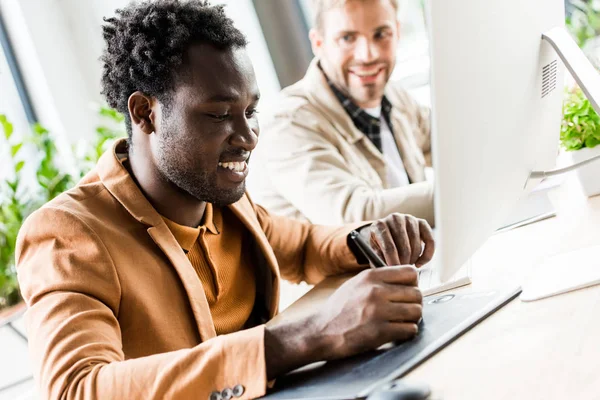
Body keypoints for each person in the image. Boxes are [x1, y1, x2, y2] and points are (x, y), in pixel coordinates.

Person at [16, 1, 434, 399]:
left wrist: (369, 239)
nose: (249, 137)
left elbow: (303, 246)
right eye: (218, 115)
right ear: (145, 113)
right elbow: (75, 389)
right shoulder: (67, 234)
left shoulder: (219, 196)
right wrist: (304, 337)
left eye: (250, 111)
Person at [249, 0, 434, 226]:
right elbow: (356, 216)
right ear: (318, 43)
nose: (368, 55)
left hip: (413, 259)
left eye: (381, 34)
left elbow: (457, 150)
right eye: (347, 38)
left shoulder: (395, 97)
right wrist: (460, 189)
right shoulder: (287, 123)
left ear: (397, 33)